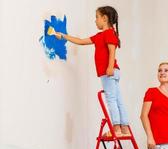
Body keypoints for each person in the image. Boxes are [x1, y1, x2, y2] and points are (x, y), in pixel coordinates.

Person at [55, 6, 130, 136]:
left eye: (97, 17)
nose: (95, 21)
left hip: (109, 72)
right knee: (117, 99)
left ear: (104, 18)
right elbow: (81, 41)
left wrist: (110, 67)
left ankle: (117, 128)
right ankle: (124, 129)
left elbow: (112, 50)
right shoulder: (100, 36)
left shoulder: (108, 33)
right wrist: (63, 36)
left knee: (112, 99)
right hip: (110, 72)